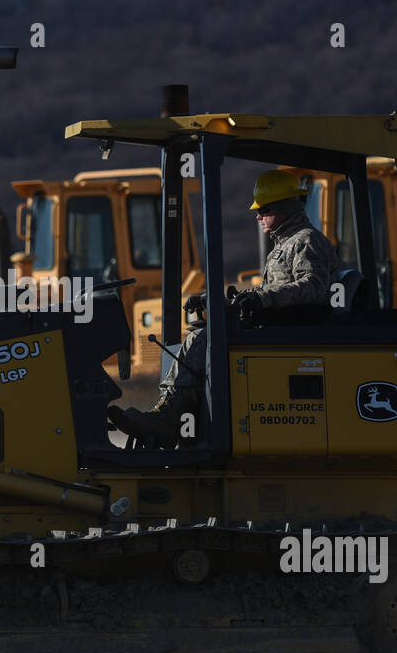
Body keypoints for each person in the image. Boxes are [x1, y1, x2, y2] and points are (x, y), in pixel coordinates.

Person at [109, 168, 341, 445]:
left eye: (264, 209)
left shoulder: (305, 241)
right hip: (280, 322)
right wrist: (218, 300)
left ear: (284, 207)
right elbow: (267, 291)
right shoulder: (285, 244)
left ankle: (168, 418)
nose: (257, 216)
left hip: (290, 329)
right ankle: (172, 414)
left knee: (203, 337)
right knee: (201, 332)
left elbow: (312, 287)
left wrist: (262, 299)